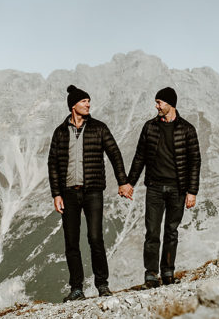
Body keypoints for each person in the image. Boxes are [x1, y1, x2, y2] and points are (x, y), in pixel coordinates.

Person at [47, 85, 132, 301]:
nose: (88, 104)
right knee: (71, 242)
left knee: (95, 238)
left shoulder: (99, 128)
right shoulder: (60, 132)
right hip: (68, 193)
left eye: (88, 101)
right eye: (84, 101)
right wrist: (56, 194)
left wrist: (123, 182)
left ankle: (102, 285)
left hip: (93, 191)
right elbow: (53, 164)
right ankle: (77, 288)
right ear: (73, 105)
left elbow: (114, 153)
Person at [122, 86, 201, 288]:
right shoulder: (150, 127)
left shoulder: (187, 129)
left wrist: (192, 191)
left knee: (171, 232)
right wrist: (130, 183)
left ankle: (168, 273)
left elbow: (195, 162)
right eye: (156, 102)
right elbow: (139, 157)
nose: (156, 106)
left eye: (159, 102)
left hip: (178, 189)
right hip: (155, 188)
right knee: (152, 233)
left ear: (170, 104)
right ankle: (150, 275)